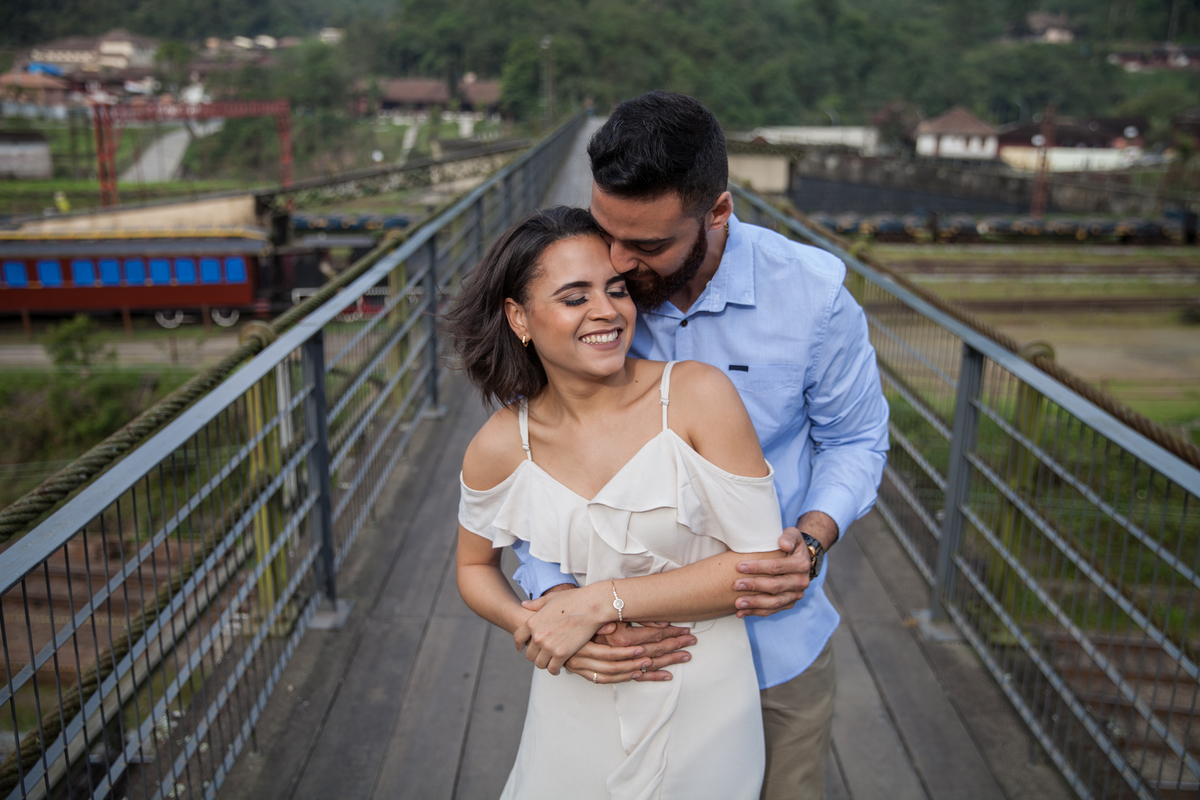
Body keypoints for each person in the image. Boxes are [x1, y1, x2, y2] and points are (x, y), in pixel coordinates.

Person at [511, 91, 890, 800]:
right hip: (621, 650)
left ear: (718, 212)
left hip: (771, 646)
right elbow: (536, 462)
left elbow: (858, 439)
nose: (618, 264)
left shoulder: (814, 299)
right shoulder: (582, 289)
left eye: (648, 246)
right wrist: (558, 594)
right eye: (605, 231)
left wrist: (813, 536)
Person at [450, 206, 794, 799]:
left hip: (702, 692)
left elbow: (761, 562)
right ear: (519, 317)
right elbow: (474, 566)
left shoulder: (695, 397)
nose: (607, 311)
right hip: (574, 691)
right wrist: (540, 627)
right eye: (574, 296)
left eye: (615, 290)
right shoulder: (502, 444)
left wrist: (597, 605)